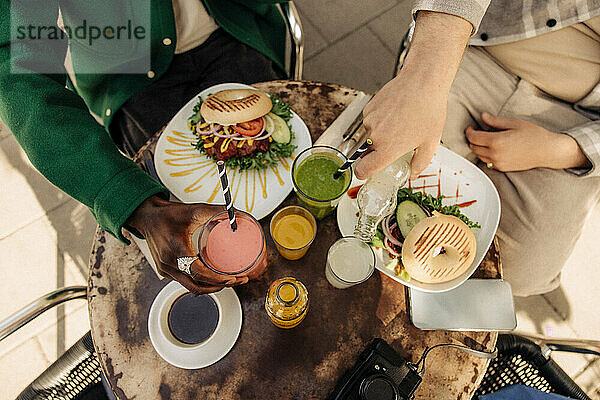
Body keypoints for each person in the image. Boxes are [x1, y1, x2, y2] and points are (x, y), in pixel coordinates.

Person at [0, 0, 289, 294]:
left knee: (284, 200)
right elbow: (18, 73)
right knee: (194, 236)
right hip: (129, 74)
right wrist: (135, 203)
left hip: (235, 27)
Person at [355, 2, 600, 296]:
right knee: (380, 163)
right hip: (482, 47)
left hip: (580, 121)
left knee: (522, 272)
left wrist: (561, 150)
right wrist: (424, 81)